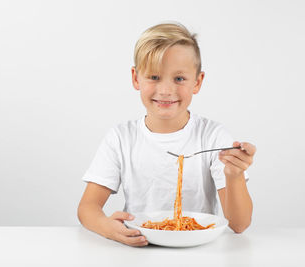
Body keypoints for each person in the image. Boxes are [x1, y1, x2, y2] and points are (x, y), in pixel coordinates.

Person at [77, 22, 256, 247]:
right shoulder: (121, 138)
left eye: (179, 79)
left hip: (198, 252)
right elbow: (87, 208)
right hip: (138, 250)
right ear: (135, 78)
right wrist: (108, 229)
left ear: (197, 82)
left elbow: (239, 224)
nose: (165, 90)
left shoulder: (213, 137)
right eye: (154, 77)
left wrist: (234, 174)